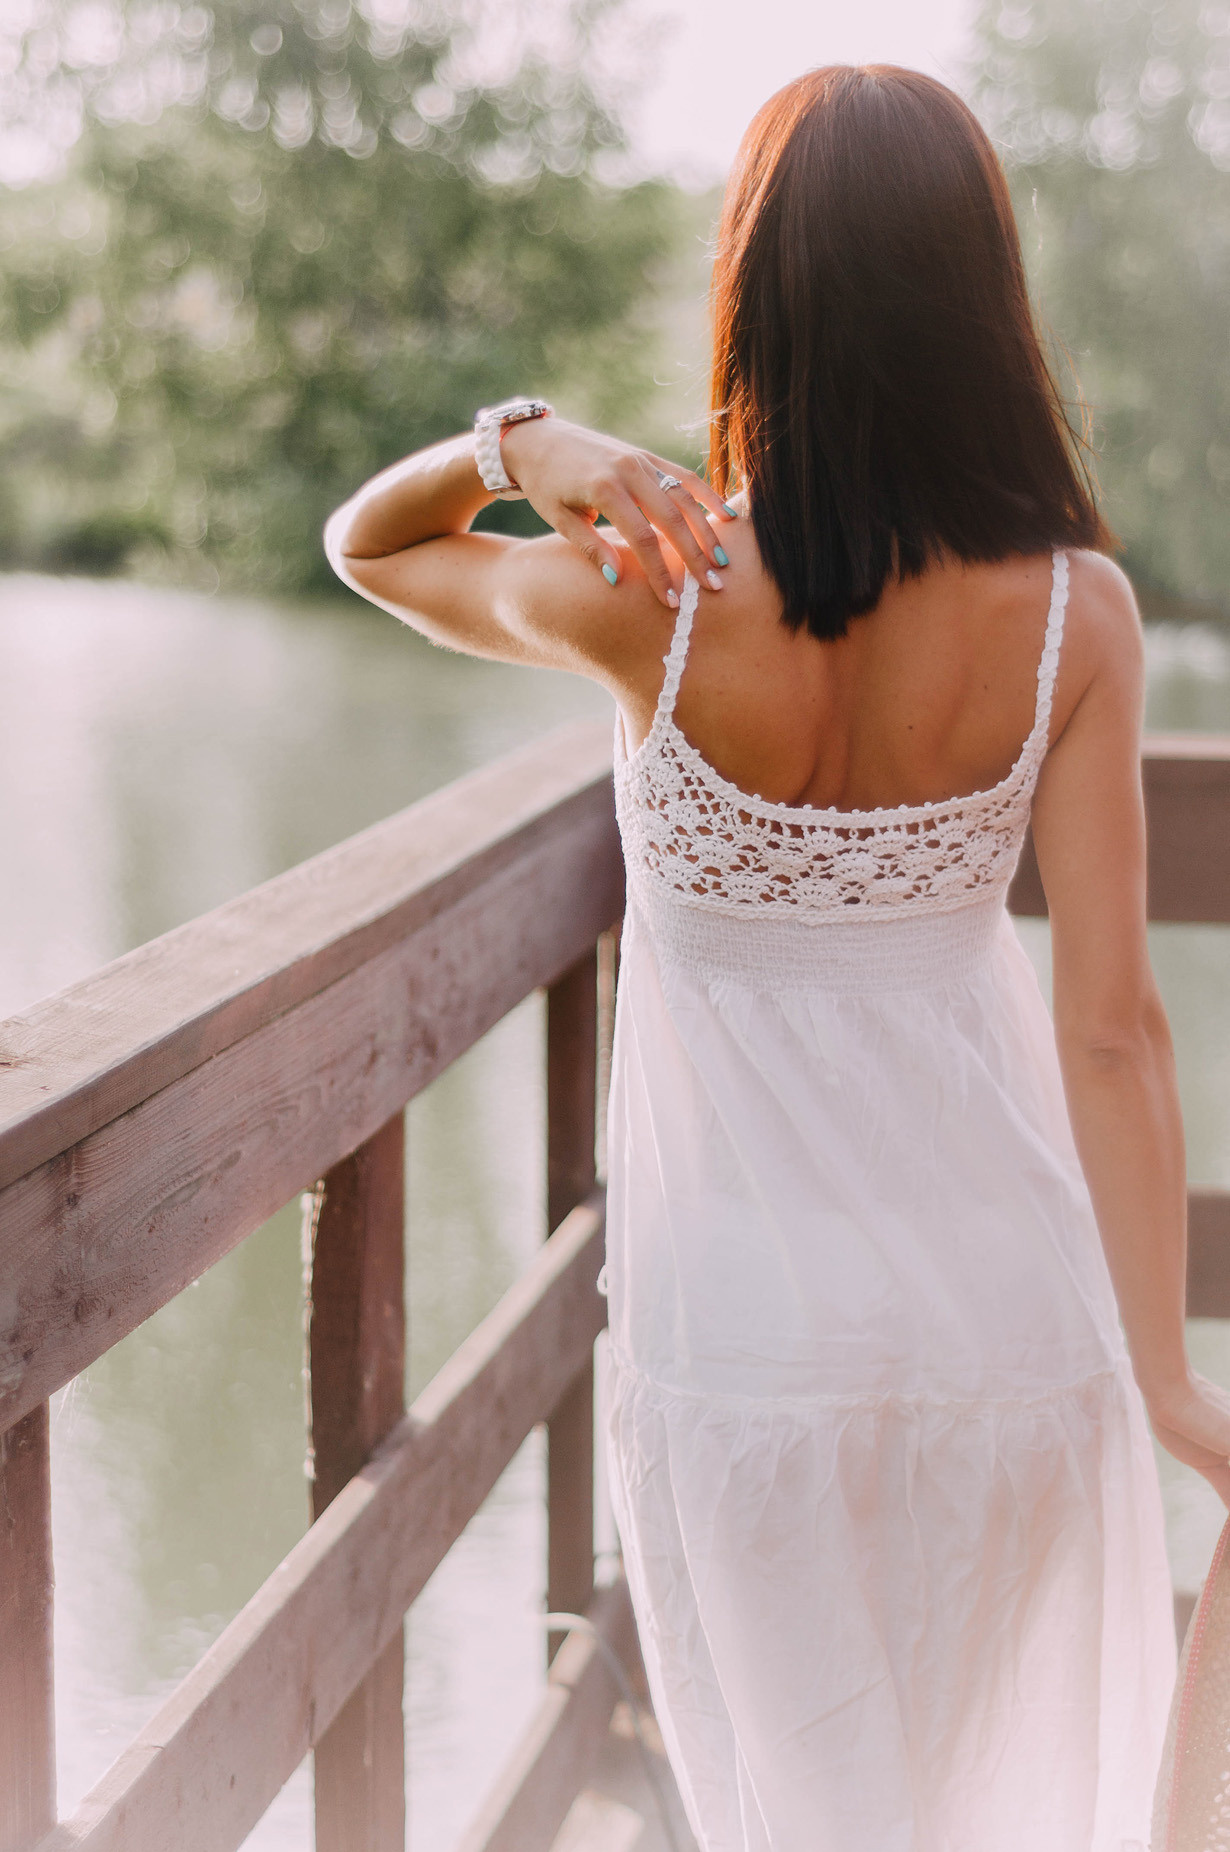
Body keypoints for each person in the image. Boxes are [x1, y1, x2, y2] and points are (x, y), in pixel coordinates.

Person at [326, 63, 1230, 1852]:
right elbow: (1113, 1034)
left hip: (743, 1336)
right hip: (1007, 1319)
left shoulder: (636, 591)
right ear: (984, 298)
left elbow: (371, 543)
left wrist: (524, 441)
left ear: (764, 291)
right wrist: (1167, 1384)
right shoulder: (1074, 614)